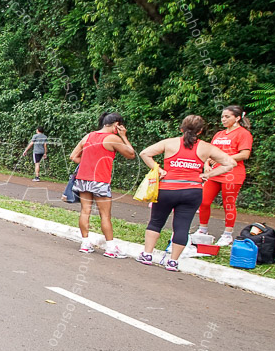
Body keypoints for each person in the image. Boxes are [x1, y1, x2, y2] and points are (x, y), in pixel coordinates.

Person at [136, 116, 235, 271]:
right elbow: (230, 163)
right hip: (192, 192)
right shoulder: (206, 147)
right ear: (201, 131)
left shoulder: (169, 143)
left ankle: (147, 255)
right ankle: (173, 262)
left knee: (155, 222)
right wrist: (208, 175)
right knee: (182, 226)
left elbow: (144, 153)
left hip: (167, 189)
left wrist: (158, 169)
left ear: (181, 128)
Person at [68, 112, 136, 257]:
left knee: (85, 211)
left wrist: (88, 165)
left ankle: (85, 244)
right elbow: (131, 154)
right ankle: (111, 248)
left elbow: (73, 156)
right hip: (100, 180)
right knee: (105, 215)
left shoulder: (88, 136)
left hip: (83, 179)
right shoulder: (112, 138)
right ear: (117, 124)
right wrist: (124, 136)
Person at [195, 105, 253, 247]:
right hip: (214, 174)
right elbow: (210, 152)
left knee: (229, 204)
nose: (223, 119)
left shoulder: (243, 133)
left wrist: (223, 158)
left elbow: (245, 154)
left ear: (238, 118)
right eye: (222, 116)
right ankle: (202, 230)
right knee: (203, 201)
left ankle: (227, 234)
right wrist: (207, 164)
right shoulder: (219, 134)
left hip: (232, 174)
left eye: (227, 117)